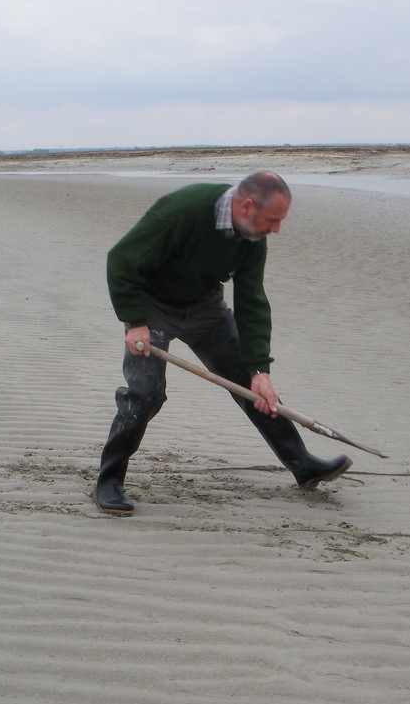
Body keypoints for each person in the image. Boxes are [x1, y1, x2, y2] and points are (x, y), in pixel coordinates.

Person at [96, 171, 352, 516]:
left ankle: (303, 464)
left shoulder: (252, 237)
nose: (276, 230)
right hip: (151, 308)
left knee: (255, 389)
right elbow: (122, 260)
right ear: (247, 206)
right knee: (145, 392)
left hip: (205, 309)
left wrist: (260, 368)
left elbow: (252, 300)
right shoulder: (182, 210)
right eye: (272, 220)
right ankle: (109, 481)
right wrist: (135, 322)